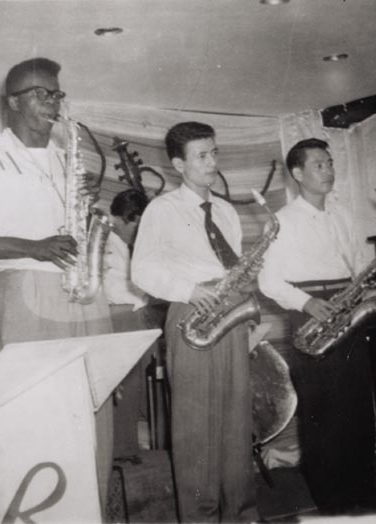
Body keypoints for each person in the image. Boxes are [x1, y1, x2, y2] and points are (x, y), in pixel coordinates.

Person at [0, 58, 115, 514]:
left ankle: (88, 512)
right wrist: (32, 246)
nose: (53, 102)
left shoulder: (64, 159)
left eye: (57, 94)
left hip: (84, 289)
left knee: (94, 414)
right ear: (12, 103)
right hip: (27, 290)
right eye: (42, 93)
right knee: (40, 416)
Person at [257, 138, 376, 514]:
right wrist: (307, 303)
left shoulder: (344, 215)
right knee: (322, 413)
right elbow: (268, 282)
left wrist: (368, 288)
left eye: (330, 163)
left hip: (347, 308)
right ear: (298, 174)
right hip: (310, 312)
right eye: (319, 164)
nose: (329, 170)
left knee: (357, 408)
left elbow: (357, 267)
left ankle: (363, 491)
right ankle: (331, 501)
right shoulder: (282, 221)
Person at [132, 122, 259, 522]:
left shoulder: (225, 210)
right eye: (202, 156)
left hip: (232, 311)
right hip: (193, 315)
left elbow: (233, 263)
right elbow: (142, 271)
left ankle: (241, 515)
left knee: (237, 423)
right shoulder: (162, 209)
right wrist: (189, 291)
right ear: (177, 164)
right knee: (195, 430)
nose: (212, 162)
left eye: (214, 153)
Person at [105, 189, 156, 456]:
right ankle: (123, 451)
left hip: (133, 316)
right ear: (117, 219)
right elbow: (114, 290)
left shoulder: (122, 244)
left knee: (139, 388)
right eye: (133, 224)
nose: (137, 232)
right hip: (121, 318)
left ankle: (133, 449)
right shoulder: (106, 244)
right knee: (126, 388)